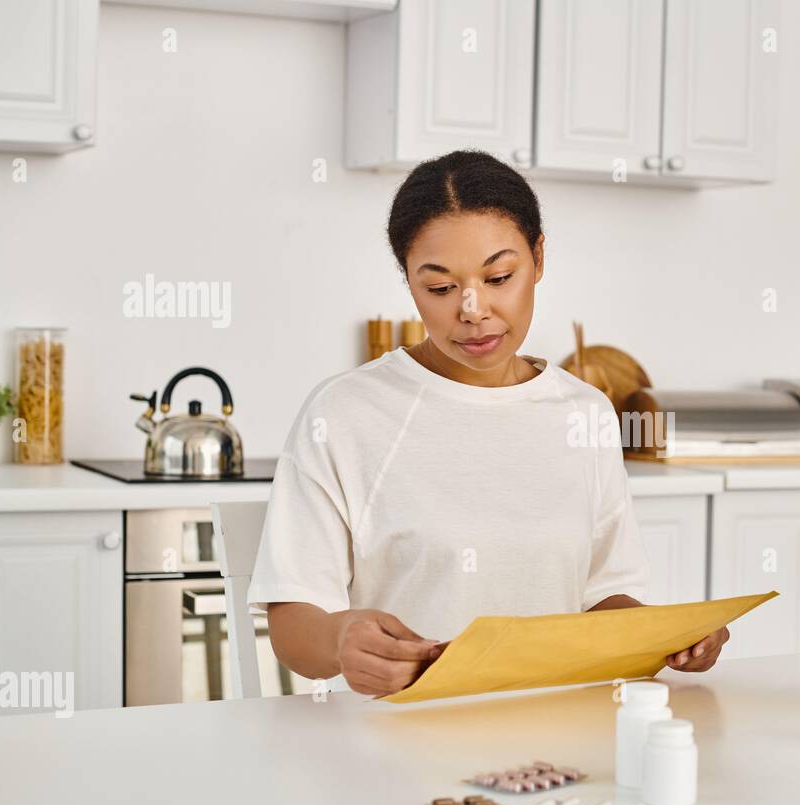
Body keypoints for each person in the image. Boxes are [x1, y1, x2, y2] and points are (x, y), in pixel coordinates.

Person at [248, 150, 730, 697]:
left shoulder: (586, 413)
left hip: (557, 741)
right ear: (408, 281)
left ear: (539, 257)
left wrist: (672, 636)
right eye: (440, 288)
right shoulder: (345, 413)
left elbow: (604, 597)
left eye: (499, 276)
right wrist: (340, 639)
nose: (473, 309)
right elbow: (293, 627)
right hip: (401, 743)